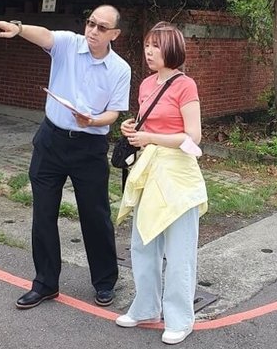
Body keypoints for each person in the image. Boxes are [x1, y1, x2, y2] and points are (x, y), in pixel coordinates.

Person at [0, 6, 131, 309]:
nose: (93, 30)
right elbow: (46, 36)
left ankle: (104, 282)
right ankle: (45, 283)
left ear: (114, 34)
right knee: (44, 214)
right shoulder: (68, 43)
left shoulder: (120, 69)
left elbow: (114, 113)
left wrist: (93, 121)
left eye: (102, 27)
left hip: (89, 149)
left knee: (95, 216)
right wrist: (19, 27)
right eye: (90, 23)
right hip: (51, 142)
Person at [114, 22, 207, 345]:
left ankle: (181, 318)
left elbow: (193, 136)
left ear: (172, 50)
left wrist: (149, 136)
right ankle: (146, 307)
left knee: (180, 250)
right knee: (143, 244)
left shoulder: (185, 86)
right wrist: (133, 128)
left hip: (178, 175)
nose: (149, 51)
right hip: (148, 171)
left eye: (156, 46)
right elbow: (147, 123)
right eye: (147, 45)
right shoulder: (146, 85)